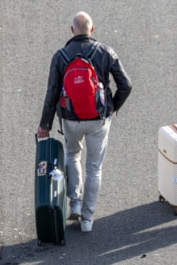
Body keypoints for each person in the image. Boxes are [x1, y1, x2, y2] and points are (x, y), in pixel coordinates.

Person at [36, 12, 132, 233]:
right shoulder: (106, 52)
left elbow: (52, 93)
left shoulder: (60, 56)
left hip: (71, 119)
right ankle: (87, 220)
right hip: (99, 119)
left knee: (72, 155)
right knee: (94, 168)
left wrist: (45, 124)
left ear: (72, 30)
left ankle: (75, 203)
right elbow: (126, 85)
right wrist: (111, 108)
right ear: (92, 29)